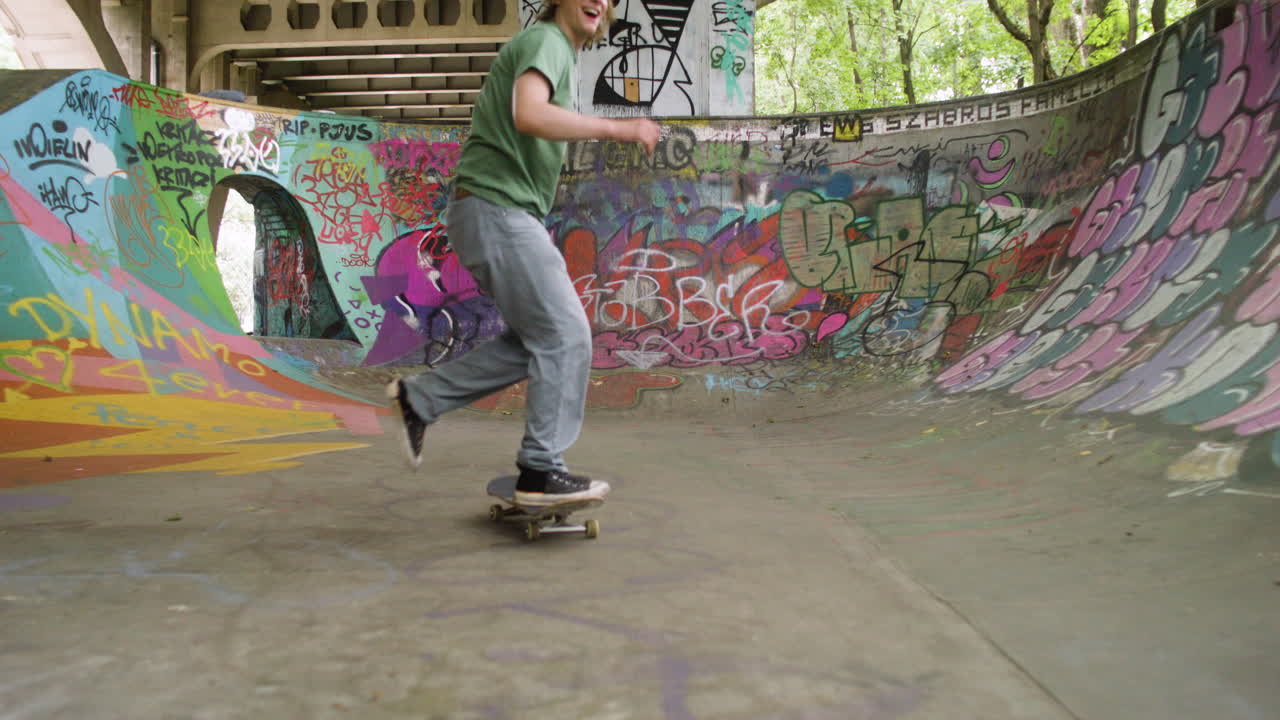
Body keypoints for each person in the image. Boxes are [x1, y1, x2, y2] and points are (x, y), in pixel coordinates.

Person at [386, 0, 660, 507]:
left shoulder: (558, 53)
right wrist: (619, 127)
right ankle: (541, 468)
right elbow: (530, 114)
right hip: (497, 210)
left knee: (534, 341)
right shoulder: (546, 42)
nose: (600, 2)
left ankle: (420, 400)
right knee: (565, 334)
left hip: (491, 212)